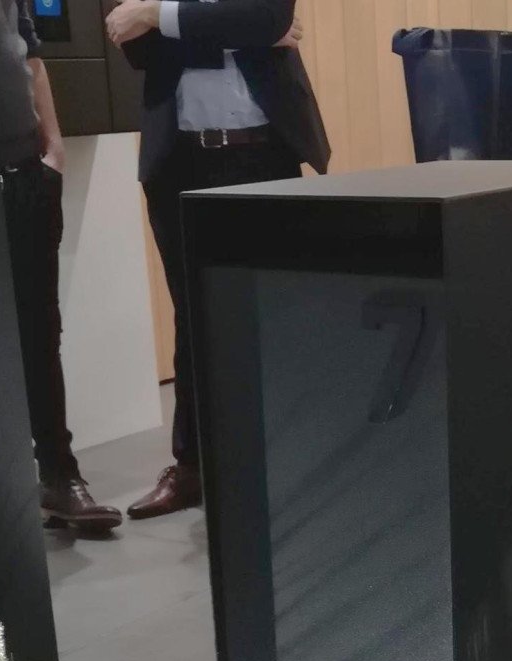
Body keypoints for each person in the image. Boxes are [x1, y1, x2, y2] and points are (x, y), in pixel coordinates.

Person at [106, 1, 330, 519]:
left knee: (276, 312)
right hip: (179, 160)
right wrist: (234, 30)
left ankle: (288, 458)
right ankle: (191, 467)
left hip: (264, 155)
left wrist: (159, 14)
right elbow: (134, 44)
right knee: (193, 315)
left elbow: (267, 19)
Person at [0, 0, 122, 534]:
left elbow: (30, 55)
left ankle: (59, 477)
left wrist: (55, 146)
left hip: (23, 172)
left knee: (40, 334)